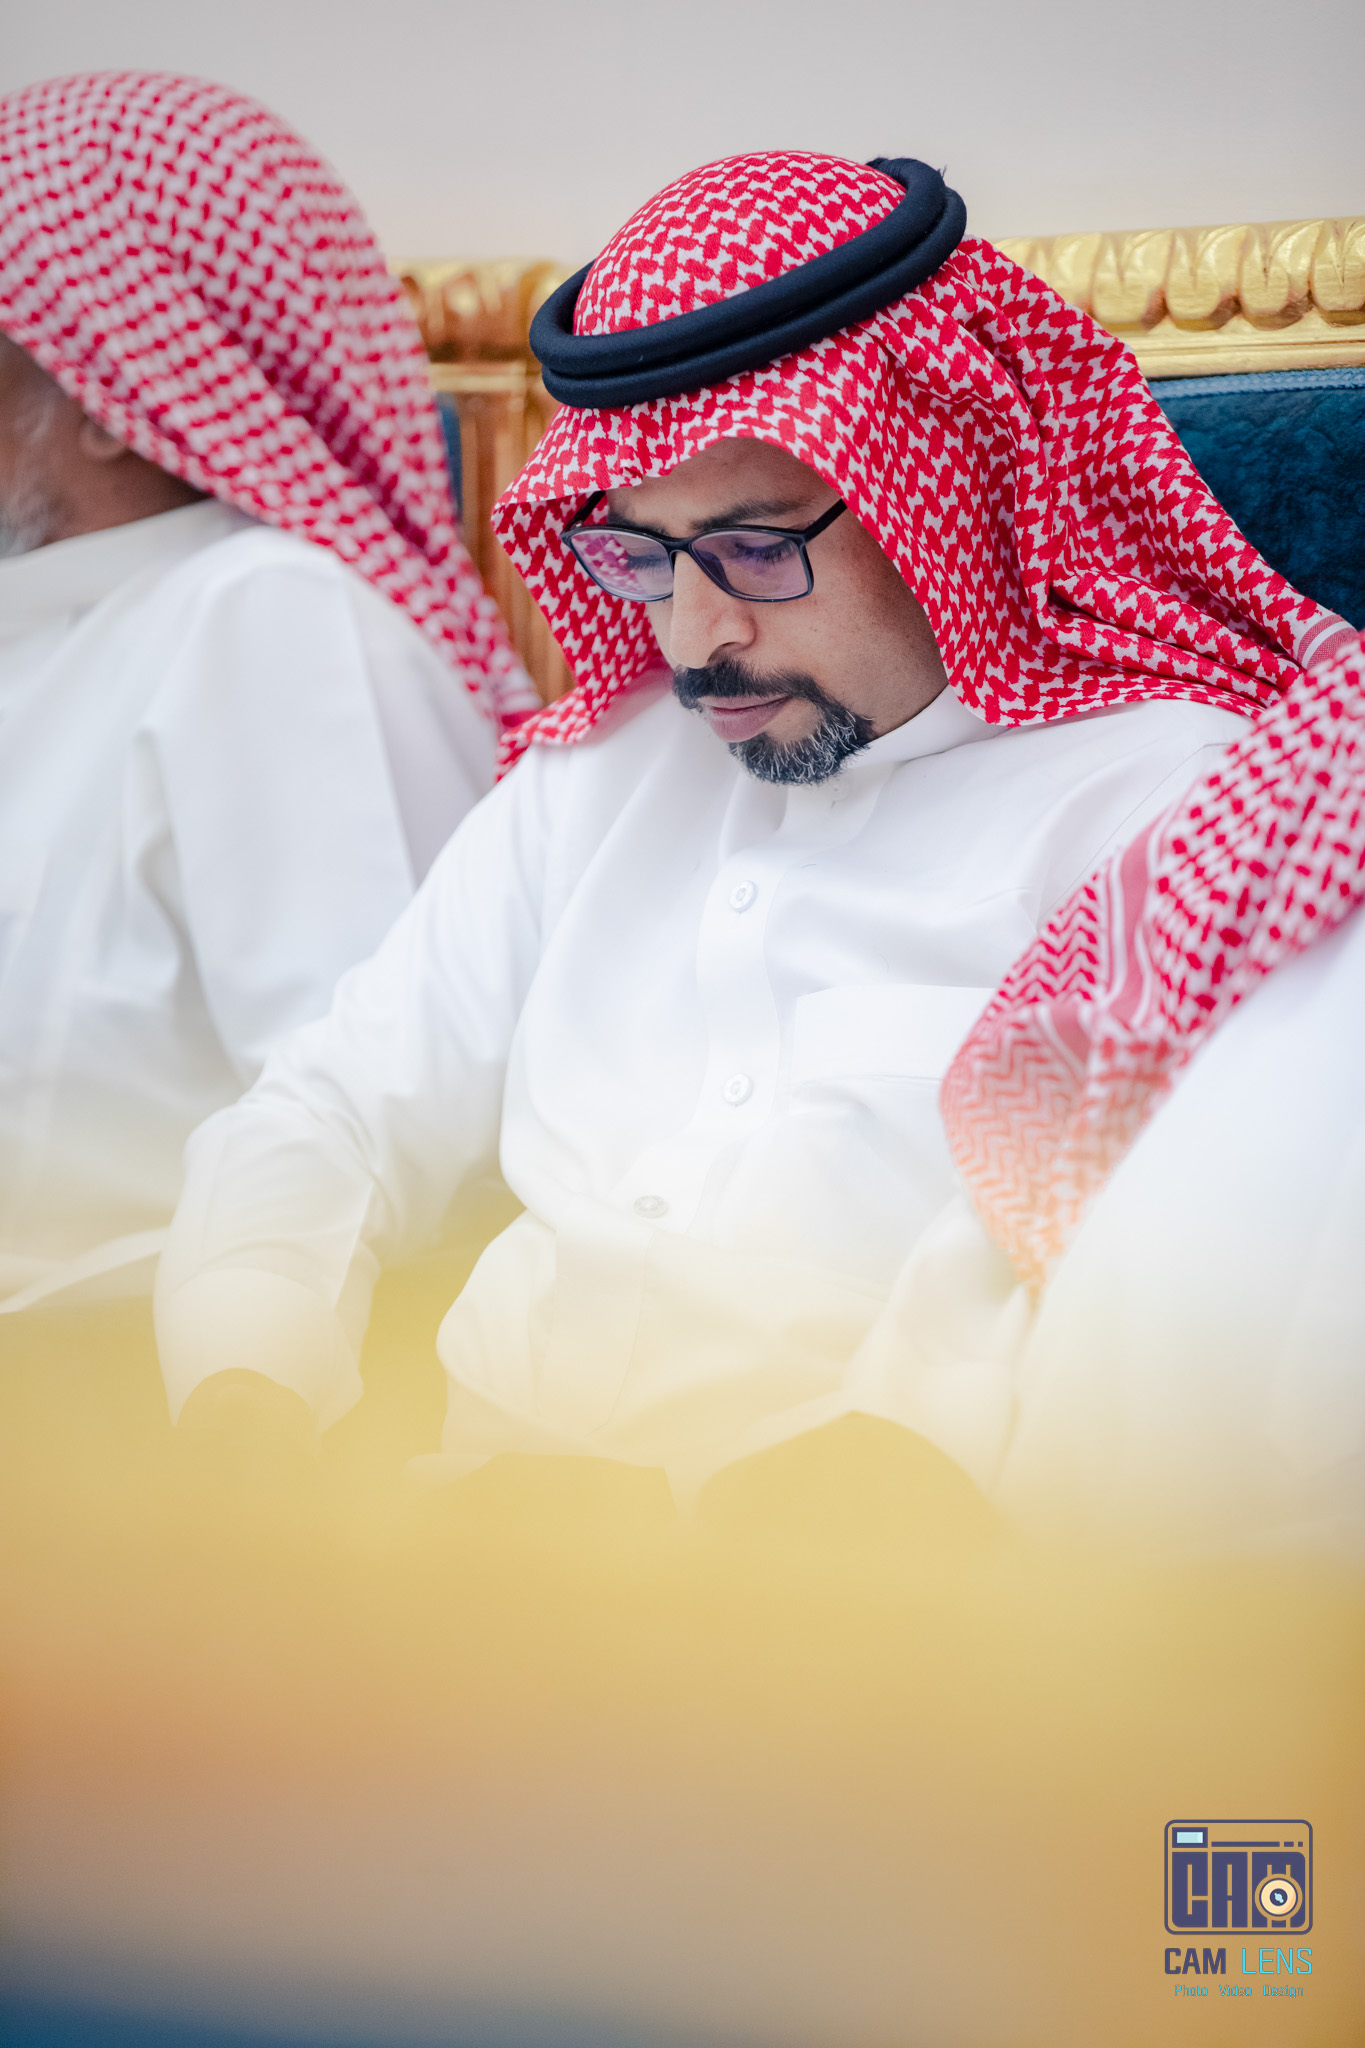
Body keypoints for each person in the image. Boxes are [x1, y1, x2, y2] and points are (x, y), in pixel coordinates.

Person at [154, 150, 1340, 1494]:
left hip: (861, 1574)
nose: (693, 636)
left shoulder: (1176, 811)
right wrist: (246, 1384)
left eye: (759, 550)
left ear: (938, 496)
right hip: (449, 1522)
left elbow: (1105, 1287)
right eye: (643, 557)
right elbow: (335, 1103)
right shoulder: (603, 774)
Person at [0, 71, 534, 1310]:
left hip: (121, 1377)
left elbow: (362, 1158)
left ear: (108, 390)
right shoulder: (57, 617)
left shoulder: (270, 620)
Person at [859, 623, 1365, 1552]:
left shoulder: (1170, 763)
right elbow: (1012, 1180)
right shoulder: (1282, 798)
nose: (695, 634)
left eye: (760, 554)